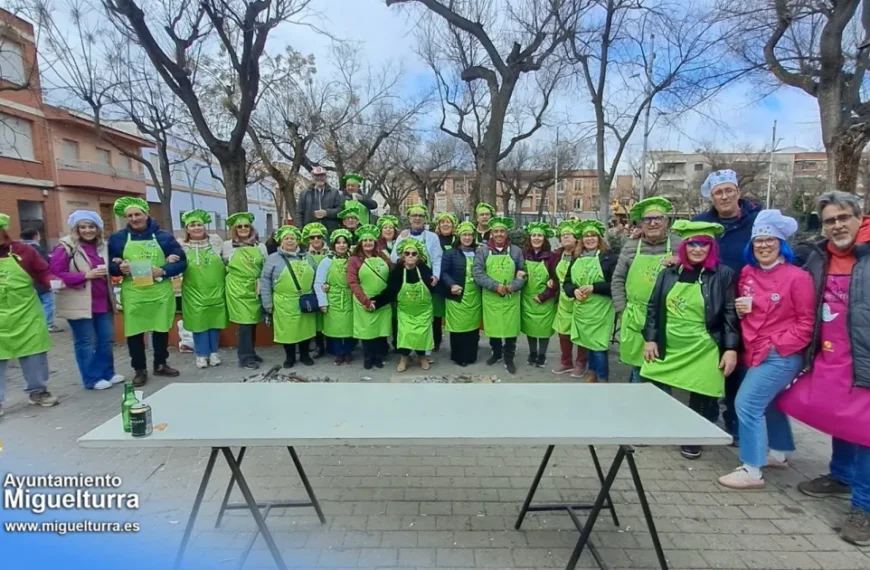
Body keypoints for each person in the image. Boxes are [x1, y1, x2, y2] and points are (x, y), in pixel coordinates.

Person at [778, 191, 870, 546]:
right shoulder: (818, 257)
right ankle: (840, 475)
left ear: (859, 218)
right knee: (839, 417)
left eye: (843, 217)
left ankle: (863, 507)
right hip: (830, 355)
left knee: (865, 431)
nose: (836, 226)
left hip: (864, 358)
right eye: (830, 220)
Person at [717, 210, 814, 490]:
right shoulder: (747, 273)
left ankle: (752, 468)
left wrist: (778, 344)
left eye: (770, 240)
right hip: (753, 349)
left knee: (747, 404)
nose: (763, 245)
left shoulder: (798, 277)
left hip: (779, 354)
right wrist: (741, 309)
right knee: (769, 402)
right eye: (758, 241)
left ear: (781, 243)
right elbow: (747, 309)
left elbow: (806, 322)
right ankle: (778, 453)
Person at [642, 220, 739, 460]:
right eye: (692, 244)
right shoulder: (669, 273)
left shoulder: (723, 274)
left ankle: (692, 436)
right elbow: (654, 307)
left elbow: (729, 314)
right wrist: (651, 339)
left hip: (703, 345)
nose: (697, 249)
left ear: (711, 247)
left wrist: (730, 348)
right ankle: (656, 426)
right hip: (670, 341)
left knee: (700, 391)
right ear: (684, 246)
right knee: (652, 383)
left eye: (703, 244)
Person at [695, 169, 761, 438]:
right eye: (717, 192)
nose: (724, 196)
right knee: (709, 361)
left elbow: (773, 254)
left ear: (738, 192)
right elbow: (687, 250)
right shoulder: (701, 222)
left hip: (747, 305)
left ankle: (734, 421)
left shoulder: (756, 221)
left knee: (738, 365)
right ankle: (705, 418)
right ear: (711, 197)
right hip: (709, 303)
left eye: (728, 190)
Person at [108, 197, 185, 386]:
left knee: (161, 329)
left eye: (138, 214)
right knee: (134, 333)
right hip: (134, 292)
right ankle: (139, 369)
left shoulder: (163, 237)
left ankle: (160, 363)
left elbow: (183, 262)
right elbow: (109, 265)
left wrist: (164, 270)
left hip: (159, 291)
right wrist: (119, 268)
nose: (134, 218)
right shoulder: (118, 239)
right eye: (130, 216)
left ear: (146, 214)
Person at [612, 197, 681, 383]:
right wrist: (622, 310)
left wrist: (682, 260)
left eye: (658, 218)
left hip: (667, 318)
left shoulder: (679, 245)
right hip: (635, 316)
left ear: (667, 221)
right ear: (641, 224)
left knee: (662, 370)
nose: (653, 223)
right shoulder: (631, 246)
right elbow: (618, 279)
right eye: (647, 220)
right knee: (638, 365)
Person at [51, 211, 122, 390]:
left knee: (105, 339)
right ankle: (91, 378)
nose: (87, 230)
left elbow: (111, 266)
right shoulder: (65, 247)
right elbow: (55, 274)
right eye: (83, 227)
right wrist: (85, 275)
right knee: (85, 341)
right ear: (76, 229)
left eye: (91, 226)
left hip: (102, 301)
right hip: (79, 302)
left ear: (97, 229)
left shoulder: (102, 246)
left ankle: (107, 372)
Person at [0, 213, 58, 413]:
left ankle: (38, 392)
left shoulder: (23, 250)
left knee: (34, 354)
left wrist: (51, 281)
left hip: (26, 312)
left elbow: (42, 271)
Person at [372, 238, 438, 371]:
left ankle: (422, 357)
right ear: (402, 256)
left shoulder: (424, 269)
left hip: (423, 311)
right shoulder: (397, 272)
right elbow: (390, 291)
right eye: (407, 253)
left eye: (414, 254)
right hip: (405, 311)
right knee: (405, 334)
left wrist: (447, 287)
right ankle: (404, 358)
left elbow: (434, 286)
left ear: (418, 256)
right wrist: (376, 301)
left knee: (422, 335)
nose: (411, 256)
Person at [563, 221, 617, 383]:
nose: (589, 239)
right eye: (586, 236)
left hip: (601, 310)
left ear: (599, 238)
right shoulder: (576, 258)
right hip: (582, 310)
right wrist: (574, 291)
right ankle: (592, 373)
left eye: (593, 235)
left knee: (599, 346)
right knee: (587, 343)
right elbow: (566, 283)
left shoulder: (609, 258)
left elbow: (615, 284)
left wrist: (594, 287)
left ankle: (602, 378)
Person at [473, 216, 526, 374]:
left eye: (502, 231)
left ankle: (509, 357)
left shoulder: (516, 251)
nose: (499, 234)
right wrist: (495, 286)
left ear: (506, 233)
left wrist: (512, 286)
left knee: (510, 329)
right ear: (491, 234)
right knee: (494, 327)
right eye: (496, 231)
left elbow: (523, 272)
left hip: (511, 297)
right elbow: (477, 273)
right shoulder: (483, 252)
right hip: (491, 297)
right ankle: (496, 353)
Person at [261, 225, 317, 368]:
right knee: (288, 332)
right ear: (281, 241)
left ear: (297, 241)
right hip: (283, 302)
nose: (290, 241)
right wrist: (267, 303)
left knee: (305, 330)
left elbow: (317, 277)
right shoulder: (273, 259)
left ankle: (305, 355)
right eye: (286, 238)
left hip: (305, 301)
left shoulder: (307, 257)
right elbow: (265, 281)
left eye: (292, 238)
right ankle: (290, 357)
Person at [179, 210, 227, 369]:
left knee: (215, 321)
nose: (196, 228)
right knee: (198, 322)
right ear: (187, 229)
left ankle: (213, 352)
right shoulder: (181, 245)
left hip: (216, 289)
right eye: (192, 225)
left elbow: (226, 259)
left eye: (199, 224)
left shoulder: (216, 241)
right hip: (194, 291)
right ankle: (201, 354)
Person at [221, 212, 268, 370]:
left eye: (246, 226)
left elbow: (266, 266)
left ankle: (251, 352)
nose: (243, 229)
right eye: (239, 226)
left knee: (253, 322)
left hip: (255, 288)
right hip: (237, 289)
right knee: (244, 324)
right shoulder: (228, 246)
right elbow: (222, 264)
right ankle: (245, 357)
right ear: (234, 229)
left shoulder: (260, 246)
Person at [348, 224, 393, 369]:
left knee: (381, 331)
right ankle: (368, 358)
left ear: (375, 243)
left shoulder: (383, 256)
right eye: (365, 240)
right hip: (364, 301)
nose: (368, 243)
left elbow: (393, 274)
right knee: (367, 332)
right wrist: (365, 301)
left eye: (371, 240)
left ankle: (379, 357)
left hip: (382, 301)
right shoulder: (354, 260)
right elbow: (353, 282)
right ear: (360, 243)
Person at [441, 221, 482, 366]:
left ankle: (471, 355)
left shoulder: (479, 252)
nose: (467, 237)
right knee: (458, 329)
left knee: (472, 329)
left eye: (470, 235)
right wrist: (451, 284)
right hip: (457, 297)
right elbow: (444, 272)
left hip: (475, 296)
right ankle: (459, 356)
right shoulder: (450, 253)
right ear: (459, 237)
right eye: (464, 234)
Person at [551, 221, 587, 376]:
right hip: (563, 300)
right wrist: (551, 279)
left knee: (580, 332)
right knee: (563, 333)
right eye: (562, 235)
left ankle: (581, 363)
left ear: (576, 238)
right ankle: (566, 362)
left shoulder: (583, 254)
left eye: (568, 234)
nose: (565, 237)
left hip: (580, 298)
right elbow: (552, 270)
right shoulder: (557, 254)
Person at [315, 229, 355, 365]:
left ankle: (348, 351)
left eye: (344, 242)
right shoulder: (326, 261)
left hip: (349, 297)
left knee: (349, 327)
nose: (342, 245)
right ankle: (338, 353)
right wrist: (323, 302)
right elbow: (319, 283)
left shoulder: (353, 260)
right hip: (333, 298)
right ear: (333, 245)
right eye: (338, 243)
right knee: (335, 327)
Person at [521, 222, 558, 368]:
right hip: (528, 297)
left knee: (543, 329)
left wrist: (544, 296)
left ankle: (542, 354)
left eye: (540, 235)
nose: (536, 238)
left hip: (545, 299)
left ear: (545, 238)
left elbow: (556, 281)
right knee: (531, 327)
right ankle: (532, 352)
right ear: (530, 238)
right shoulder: (524, 255)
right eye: (534, 235)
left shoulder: (552, 257)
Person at [21, 228, 62, 333]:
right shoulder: (37, 249)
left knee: (35, 304)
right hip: (41, 281)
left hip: (26, 282)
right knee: (48, 302)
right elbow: (46, 264)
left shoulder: (18, 249)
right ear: (35, 236)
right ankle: (47, 324)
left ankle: (34, 324)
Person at [302, 222, 329, 358]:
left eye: (319, 236)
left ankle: (331, 345)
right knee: (316, 321)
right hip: (312, 292)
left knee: (329, 318)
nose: (316, 240)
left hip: (329, 291)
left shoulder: (331, 254)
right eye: (312, 237)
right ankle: (319, 346)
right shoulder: (303, 256)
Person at [431, 212, 457, 351]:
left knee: (455, 314)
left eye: (448, 222)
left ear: (453, 225)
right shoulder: (434, 239)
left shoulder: (458, 239)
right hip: (438, 282)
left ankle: (457, 342)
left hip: (454, 281)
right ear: (438, 225)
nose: (445, 224)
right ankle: (436, 341)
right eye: (442, 222)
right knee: (437, 314)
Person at [296, 165, 344, 233]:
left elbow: (340, 210)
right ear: (312, 177)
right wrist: (300, 229)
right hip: (311, 231)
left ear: (326, 177)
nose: (319, 178)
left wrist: (326, 213)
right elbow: (299, 213)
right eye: (317, 176)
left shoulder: (334, 192)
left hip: (330, 231)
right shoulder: (304, 194)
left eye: (322, 175)